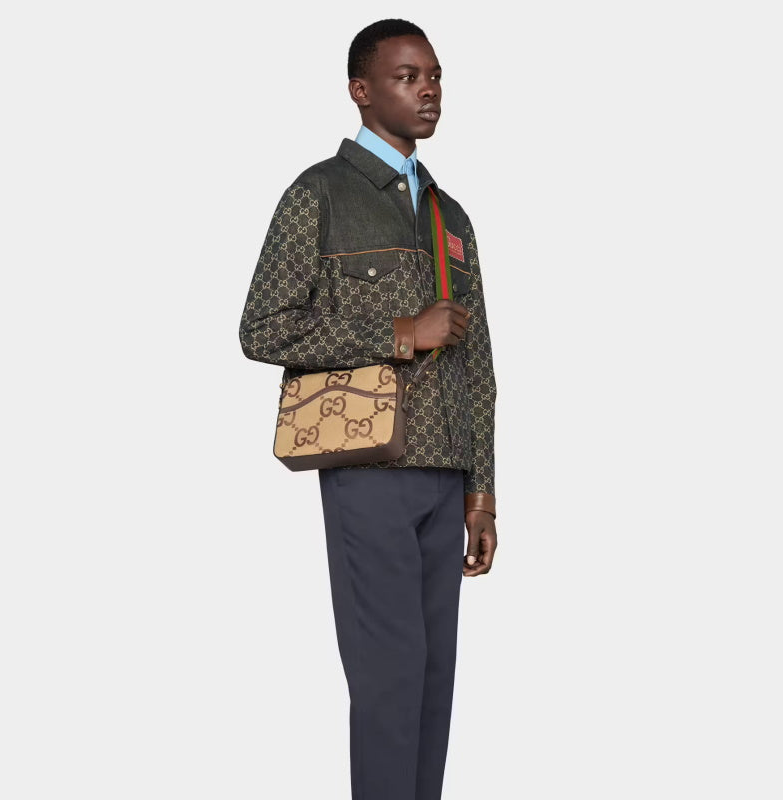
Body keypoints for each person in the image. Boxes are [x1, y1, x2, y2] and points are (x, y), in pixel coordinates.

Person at [238, 18, 497, 800]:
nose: (429, 91)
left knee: (434, 681)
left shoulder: (451, 216)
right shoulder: (319, 194)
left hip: (446, 474)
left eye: (435, 76)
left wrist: (482, 492)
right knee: (389, 678)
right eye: (407, 77)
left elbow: (479, 363)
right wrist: (400, 333)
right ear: (361, 90)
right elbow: (262, 328)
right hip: (371, 470)